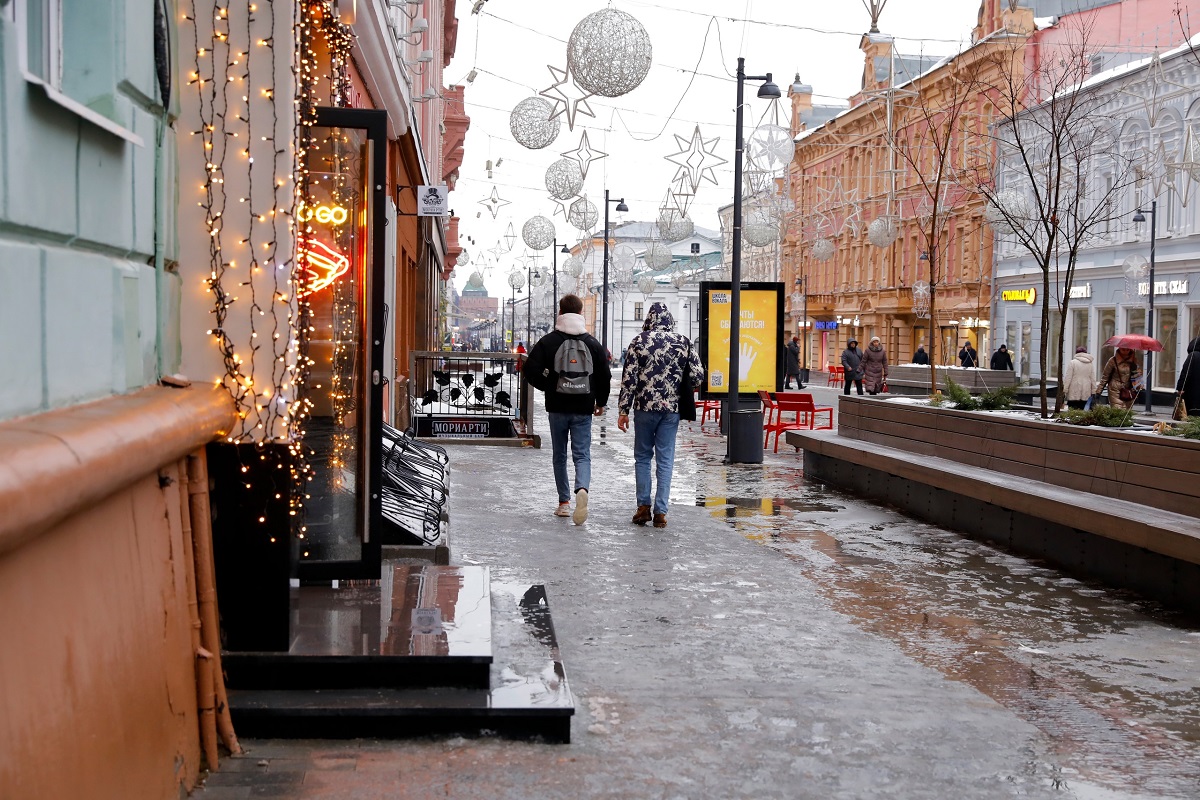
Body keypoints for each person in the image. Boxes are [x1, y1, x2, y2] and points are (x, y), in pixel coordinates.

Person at [522, 295, 611, 524]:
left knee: (559, 455)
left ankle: (563, 503)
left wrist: (548, 386)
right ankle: (582, 488)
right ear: (581, 313)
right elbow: (604, 376)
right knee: (582, 454)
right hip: (583, 407)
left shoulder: (549, 341)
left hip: (557, 406)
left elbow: (530, 369)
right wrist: (600, 402)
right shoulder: (592, 343)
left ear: (560, 312)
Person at [616, 302, 705, 529]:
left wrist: (623, 410)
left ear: (649, 319)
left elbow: (629, 380)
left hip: (644, 408)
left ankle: (643, 507)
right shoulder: (683, 342)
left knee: (643, 457)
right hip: (671, 410)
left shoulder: (639, 341)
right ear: (670, 320)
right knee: (665, 459)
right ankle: (661, 512)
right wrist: (678, 384)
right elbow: (697, 376)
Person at [1096, 346, 1141, 411]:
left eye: (1127, 349)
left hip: (1128, 390)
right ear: (1119, 349)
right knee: (1118, 411)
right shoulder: (1112, 361)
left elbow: (1138, 376)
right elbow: (1105, 377)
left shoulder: (1134, 361)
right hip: (1115, 389)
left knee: (1127, 412)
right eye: (1123, 349)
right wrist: (1099, 391)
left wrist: (1135, 371)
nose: (1125, 351)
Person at [1061, 346, 1095, 410]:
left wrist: (1065, 390)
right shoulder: (1090, 364)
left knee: (1072, 409)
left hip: (1074, 389)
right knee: (1083, 409)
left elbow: (1068, 378)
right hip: (1086, 389)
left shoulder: (1073, 363)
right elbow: (1093, 378)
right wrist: (1094, 391)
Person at [1176, 335, 1200, 416]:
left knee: (1191, 413)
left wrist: (1180, 387)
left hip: (1192, 392)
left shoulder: (1193, 356)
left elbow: (1185, 373)